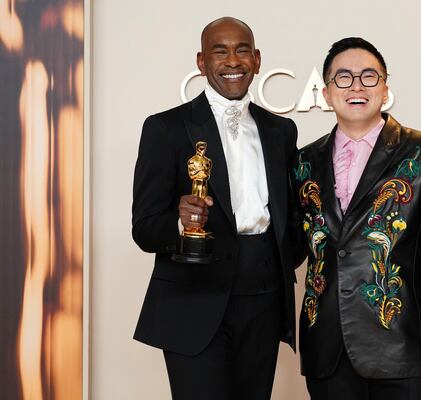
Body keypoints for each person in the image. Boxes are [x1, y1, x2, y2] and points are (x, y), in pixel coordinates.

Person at [132, 17, 301, 399]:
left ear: (257, 60)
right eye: (219, 51)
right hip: (194, 299)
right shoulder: (165, 128)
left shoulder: (281, 131)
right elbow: (144, 228)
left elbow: (291, 217)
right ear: (201, 61)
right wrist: (179, 221)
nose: (232, 61)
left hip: (264, 298)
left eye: (242, 50)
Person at [293, 37, 421, 400]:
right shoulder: (303, 162)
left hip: (401, 348)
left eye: (368, 76)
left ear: (385, 88)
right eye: (343, 78)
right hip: (326, 349)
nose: (356, 86)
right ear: (326, 93)